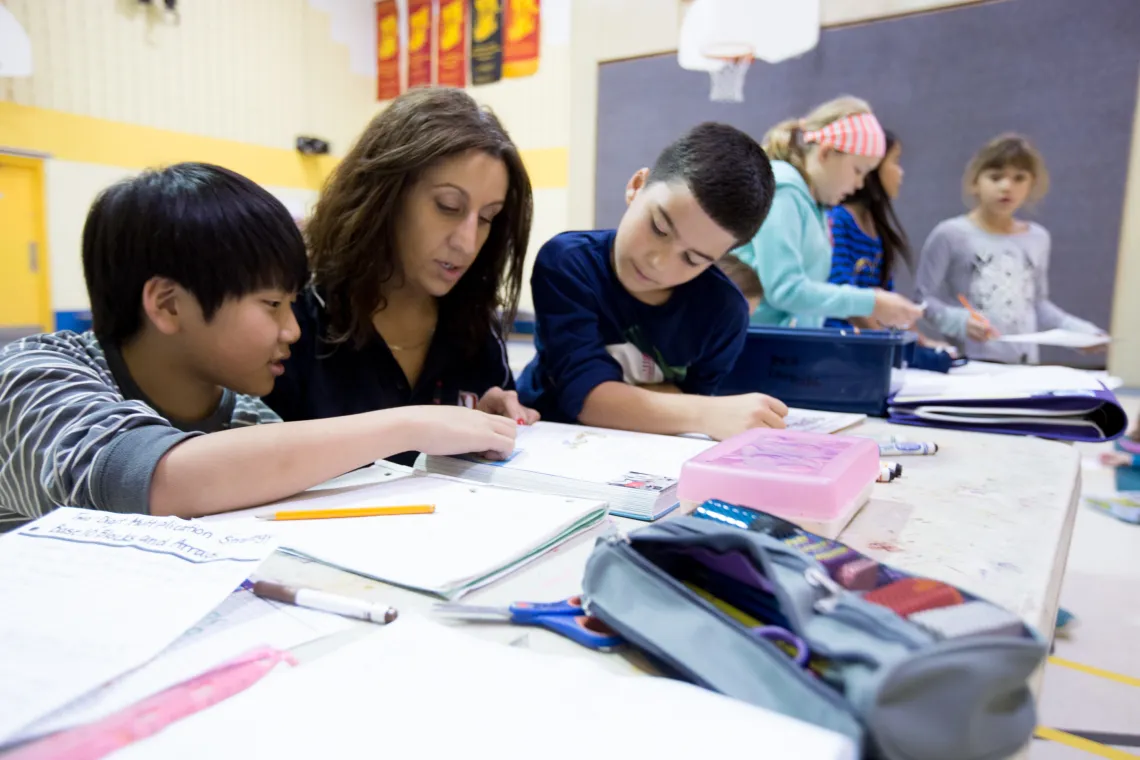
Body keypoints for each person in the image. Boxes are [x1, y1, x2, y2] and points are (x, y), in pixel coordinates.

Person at [0, 163, 516, 531]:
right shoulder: (35, 377)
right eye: (271, 304)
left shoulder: (246, 416)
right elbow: (150, 480)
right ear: (169, 305)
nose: (292, 329)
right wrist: (412, 422)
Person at [265, 88, 539, 456]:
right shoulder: (295, 317)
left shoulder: (475, 326)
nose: (468, 243)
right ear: (385, 196)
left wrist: (486, 426)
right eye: (448, 206)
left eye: (488, 217)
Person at [517, 122, 789, 440]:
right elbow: (585, 398)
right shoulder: (568, 262)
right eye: (659, 227)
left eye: (692, 259)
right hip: (542, 435)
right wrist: (703, 412)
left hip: (645, 454)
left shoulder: (724, 311)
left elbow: (684, 409)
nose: (659, 263)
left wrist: (662, 407)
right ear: (637, 185)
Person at [733, 96, 924, 330]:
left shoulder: (815, 207)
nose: (860, 184)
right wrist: (869, 302)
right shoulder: (784, 191)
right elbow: (785, 290)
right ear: (826, 153)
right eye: (858, 170)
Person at [915, 133, 1106, 363]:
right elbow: (923, 300)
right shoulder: (950, 234)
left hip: (1025, 366)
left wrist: (1080, 331)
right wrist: (959, 321)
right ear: (975, 182)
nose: (1007, 187)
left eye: (1019, 178)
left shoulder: (1037, 237)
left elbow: (1037, 304)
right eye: (995, 177)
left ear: (1031, 184)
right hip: (972, 365)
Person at [824, 131, 952, 351]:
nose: (900, 173)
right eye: (895, 162)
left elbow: (888, 302)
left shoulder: (877, 229)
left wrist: (921, 342)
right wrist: (890, 345)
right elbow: (846, 296)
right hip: (840, 346)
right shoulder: (839, 220)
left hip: (871, 347)